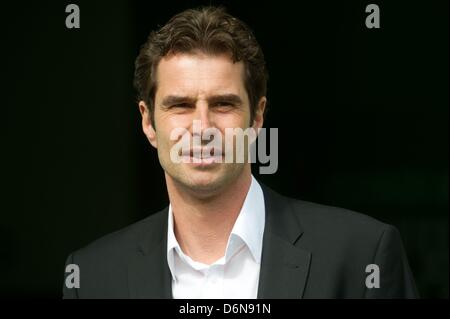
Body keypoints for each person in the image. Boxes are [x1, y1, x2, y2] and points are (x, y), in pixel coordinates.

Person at [63, 6, 418, 299]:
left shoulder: (361, 256)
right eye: (181, 105)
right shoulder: (92, 277)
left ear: (257, 116)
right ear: (148, 122)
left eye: (223, 104)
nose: (202, 129)